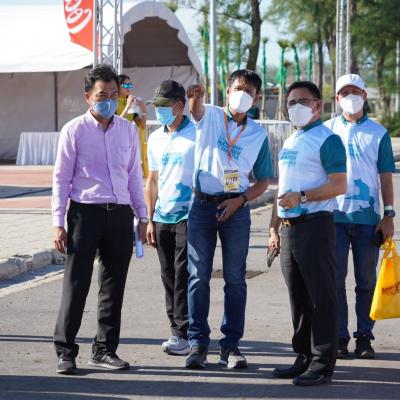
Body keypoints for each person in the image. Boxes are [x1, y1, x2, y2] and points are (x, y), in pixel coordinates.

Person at [52, 64, 148, 375]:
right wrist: (58, 222)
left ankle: (105, 350)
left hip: (119, 214)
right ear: (88, 97)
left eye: (113, 94)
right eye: (102, 95)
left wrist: (142, 215)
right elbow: (61, 179)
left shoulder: (127, 130)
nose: (108, 100)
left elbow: (134, 175)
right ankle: (66, 351)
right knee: (76, 283)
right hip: (85, 214)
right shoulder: (74, 130)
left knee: (113, 285)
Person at [185, 69, 274, 369]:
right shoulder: (210, 115)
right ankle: (197, 343)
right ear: (227, 90)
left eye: (249, 91)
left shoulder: (258, 134)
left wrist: (240, 200)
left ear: (256, 98)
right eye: (238, 88)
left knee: (235, 278)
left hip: (236, 208)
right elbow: (195, 111)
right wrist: (195, 98)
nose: (242, 95)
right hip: (202, 205)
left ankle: (230, 346)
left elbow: (263, 181)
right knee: (198, 276)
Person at [268, 81, 347, 386]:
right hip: (289, 229)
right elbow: (282, 189)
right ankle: (302, 356)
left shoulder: (327, 139)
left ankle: (323, 363)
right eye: (291, 102)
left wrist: (301, 197)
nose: (295, 107)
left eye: (302, 101)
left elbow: (339, 184)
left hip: (315, 225)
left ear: (317, 105)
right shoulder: (291, 141)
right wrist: (273, 228)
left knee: (321, 297)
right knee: (298, 299)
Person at [324, 74, 395, 359]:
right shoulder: (326, 130)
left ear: (364, 96)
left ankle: (364, 336)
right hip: (334, 218)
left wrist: (388, 214)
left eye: (355, 91)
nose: (350, 96)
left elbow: (386, 177)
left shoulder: (379, 133)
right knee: (335, 281)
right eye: (345, 92)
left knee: (366, 282)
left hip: (368, 221)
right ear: (337, 98)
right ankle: (339, 336)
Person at [145, 80, 196, 356]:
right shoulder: (155, 138)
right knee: (167, 275)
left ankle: (183, 333)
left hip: (189, 214)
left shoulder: (196, 134)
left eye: (164, 105)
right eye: (156, 105)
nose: (159, 110)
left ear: (179, 106)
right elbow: (152, 180)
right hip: (162, 216)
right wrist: (149, 218)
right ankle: (175, 328)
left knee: (182, 273)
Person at [117, 74, 149, 177]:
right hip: (115, 142)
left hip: (128, 143)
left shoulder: (130, 102)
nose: (128, 88)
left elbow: (142, 125)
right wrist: (127, 106)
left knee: (130, 173)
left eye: (130, 85)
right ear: (118, 86)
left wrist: (143, 110)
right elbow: (115, 123)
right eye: (125, 85)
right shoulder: (113, 102)